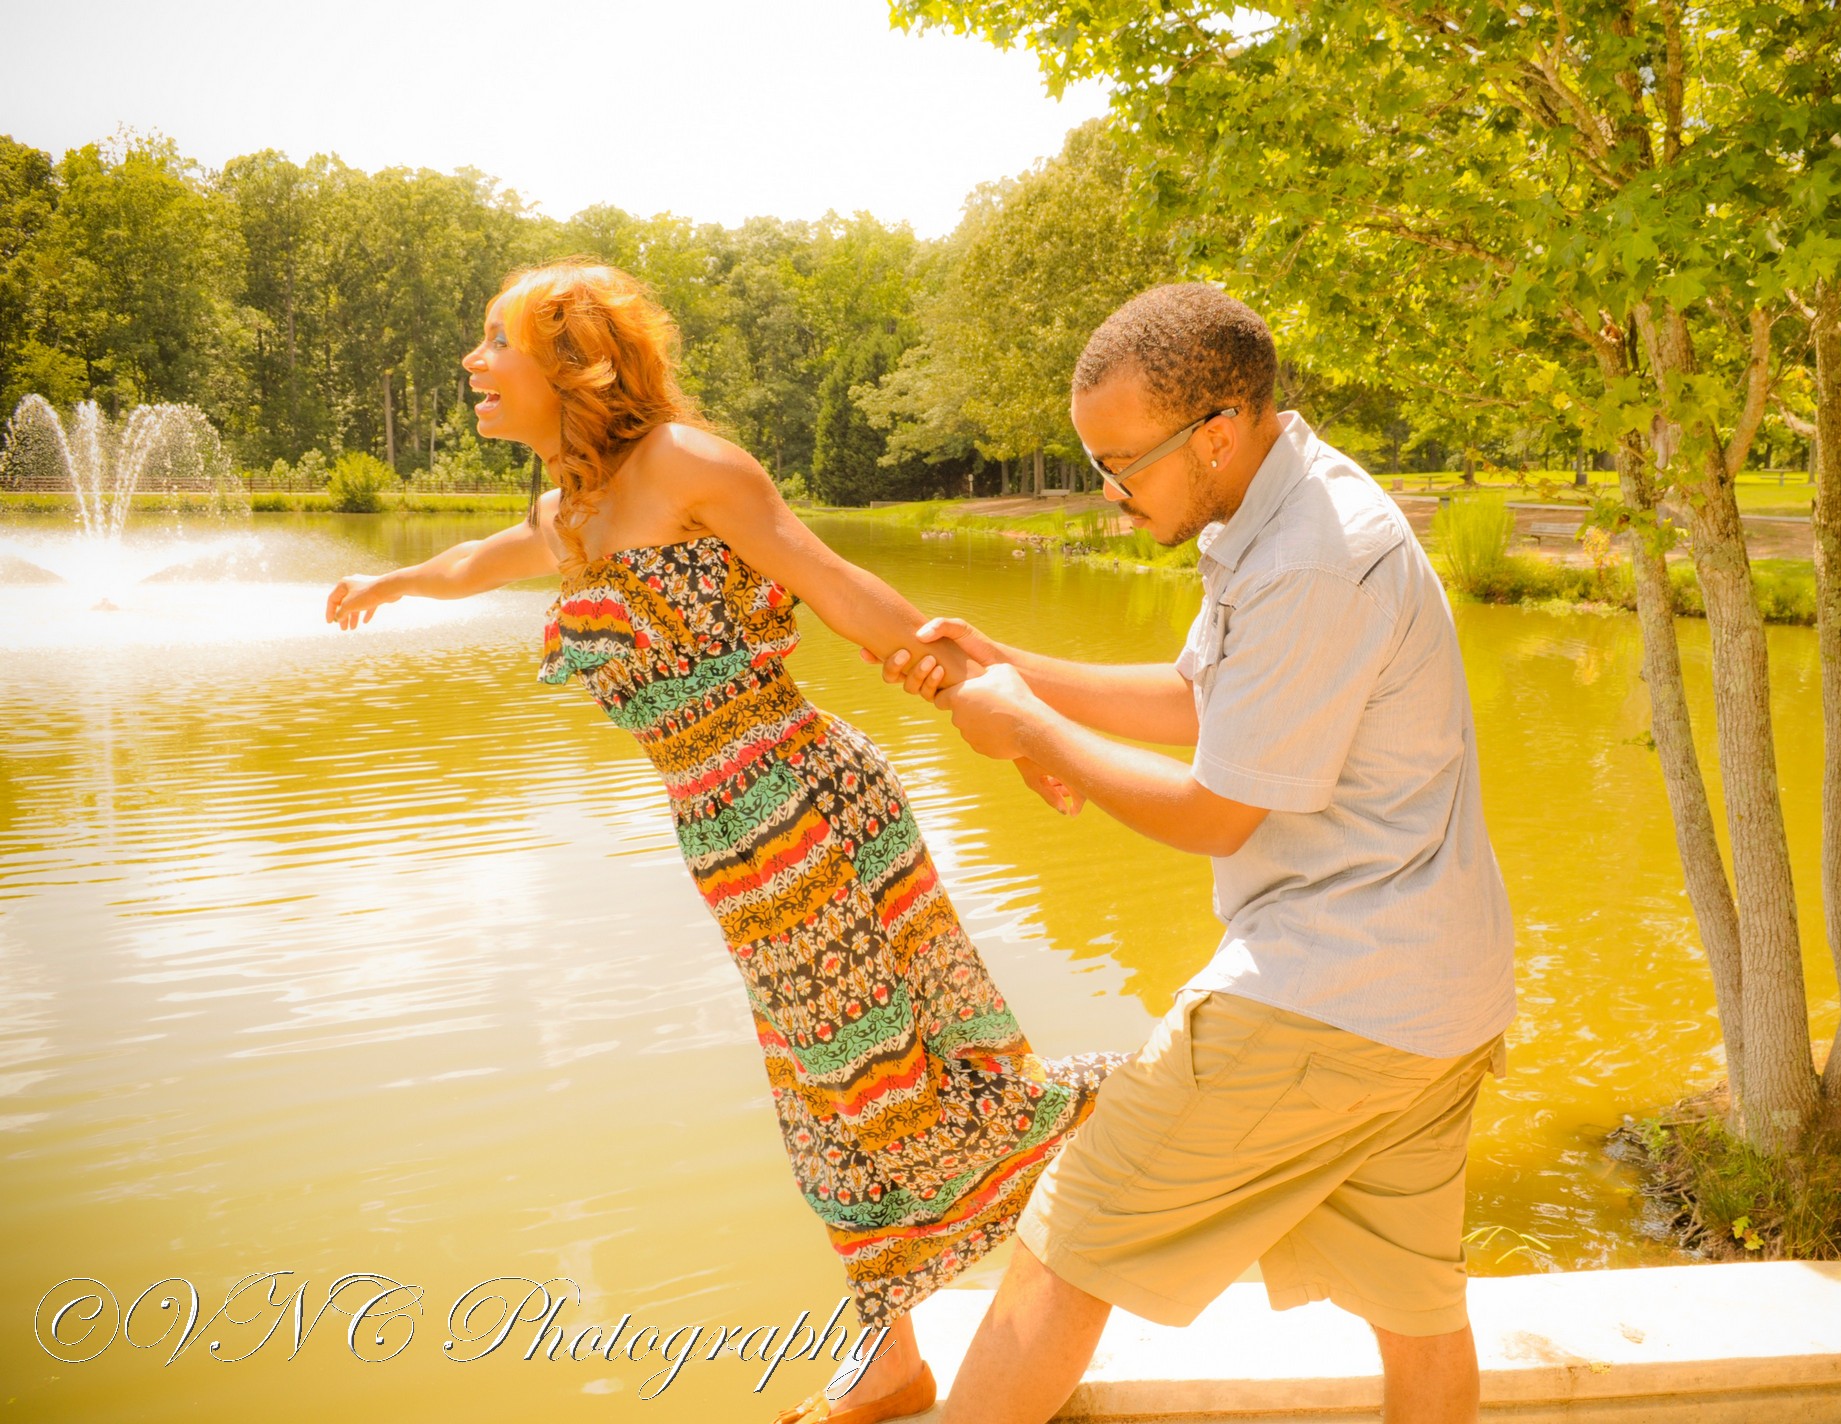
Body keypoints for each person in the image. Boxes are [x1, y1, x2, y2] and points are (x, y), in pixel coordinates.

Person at [322, 260, 1120, 1424]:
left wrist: (1020, 726)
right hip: (727, 837)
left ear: (573, 363)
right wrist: (393, 580)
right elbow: (475, 562)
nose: (471, 360)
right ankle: (892, 1358)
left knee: (877, 1082)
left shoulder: (686, 466)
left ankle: (1133, 1113)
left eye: (495, 339)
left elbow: (846, 592)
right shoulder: (570, 511)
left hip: (799, 804)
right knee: (820, 1101)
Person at [876, 282, 1517, 1424]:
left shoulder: (1309, 558)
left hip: (1331, 993)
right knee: (1417, 1308)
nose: (1107, 491)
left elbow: (1218, 810)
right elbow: (1198, 699)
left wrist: (1027, 728)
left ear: (1214, 432)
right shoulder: (1284, 508)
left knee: (1069, 1233)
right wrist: (1008, 663)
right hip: (1434, 1000)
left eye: (1120, 463)